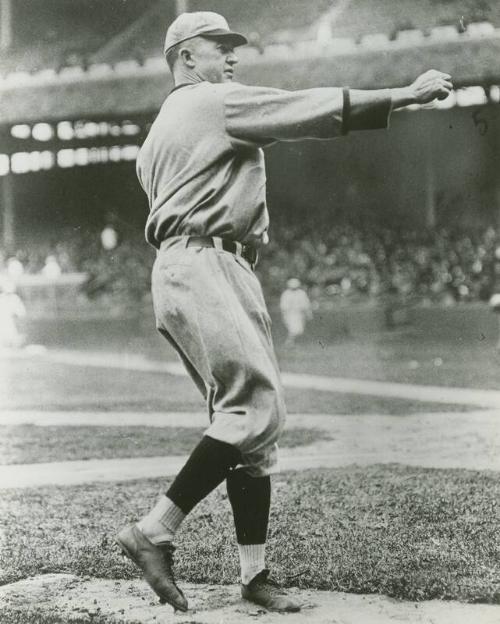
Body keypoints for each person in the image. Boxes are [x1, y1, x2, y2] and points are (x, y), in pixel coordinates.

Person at [116, 10, 453, 614]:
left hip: (196, 265)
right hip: (207, 262)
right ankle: (155, 529)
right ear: (187, 57)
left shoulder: (156, 135)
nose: (232, 58)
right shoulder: (209, 101)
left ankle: (254, 575)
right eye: (220, 48)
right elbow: (308, 107)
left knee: (249, 429)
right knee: (256, 407)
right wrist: (404, 94)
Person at [280, 278, 312, 345]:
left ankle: (292, 342)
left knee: (299, 330)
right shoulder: (286, 293)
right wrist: (284, 315)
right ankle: (289, 342)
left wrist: (308, 313)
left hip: (300, 313)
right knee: (294, 329)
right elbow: (283, 306)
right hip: (290, 313)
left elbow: (306, 304)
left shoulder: (301, 293)